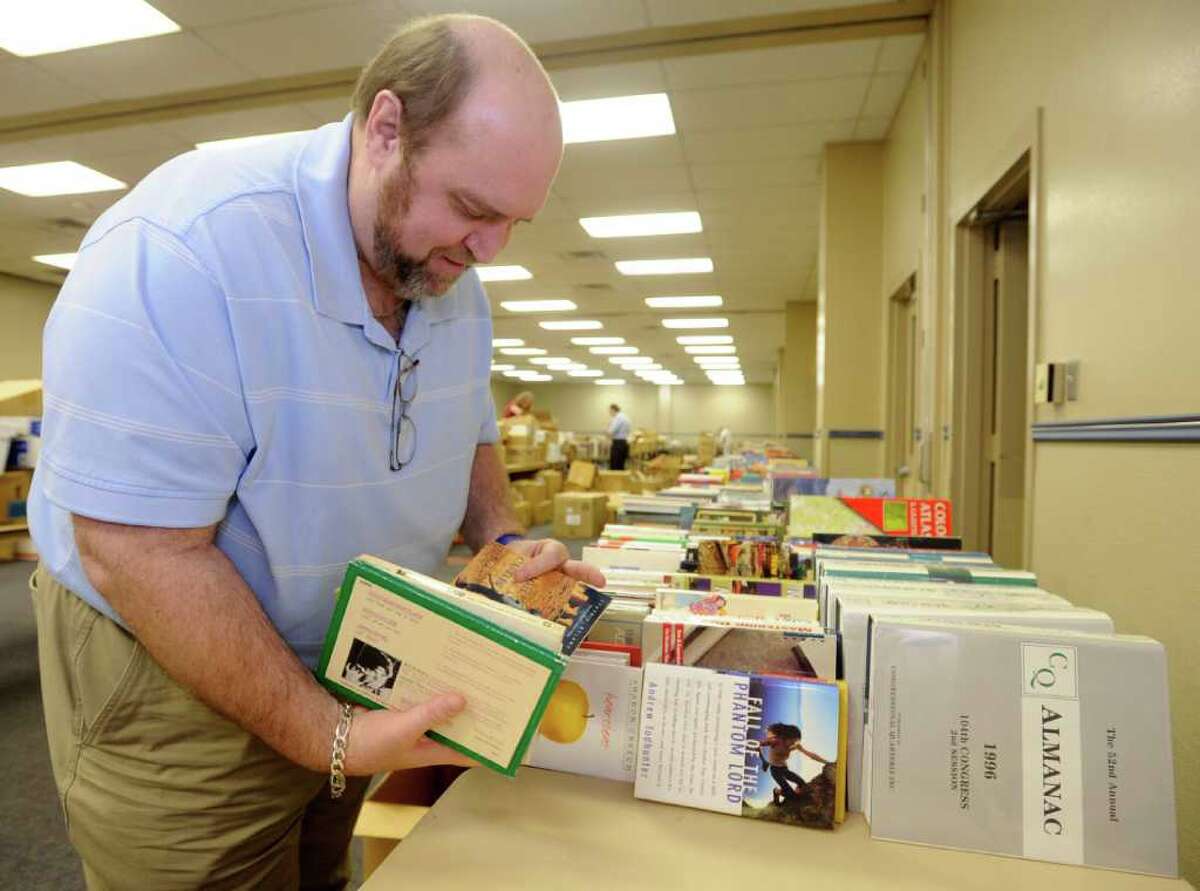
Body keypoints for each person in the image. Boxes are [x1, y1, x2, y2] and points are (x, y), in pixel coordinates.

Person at [27, 14, 604, 889]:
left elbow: (467, 421)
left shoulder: (445, 269)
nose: (489, 250)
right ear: (385, 129)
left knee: (321, 870)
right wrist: (324, 734)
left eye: (514, 221)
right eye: (475, 210)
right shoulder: (183, 251)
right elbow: (135, 551)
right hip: (171, 671)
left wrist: (504, 542)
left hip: (358, 653)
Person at [606, 403, 631, 470]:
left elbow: (611, 431)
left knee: (615, 466)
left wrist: (607, 428)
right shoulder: (626, 417)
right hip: (624, 443)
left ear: (613, 410)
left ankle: (614, 480)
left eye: (610, 411)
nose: (610, 413)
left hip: (618, 444)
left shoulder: (618, 418)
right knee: (621, 465)